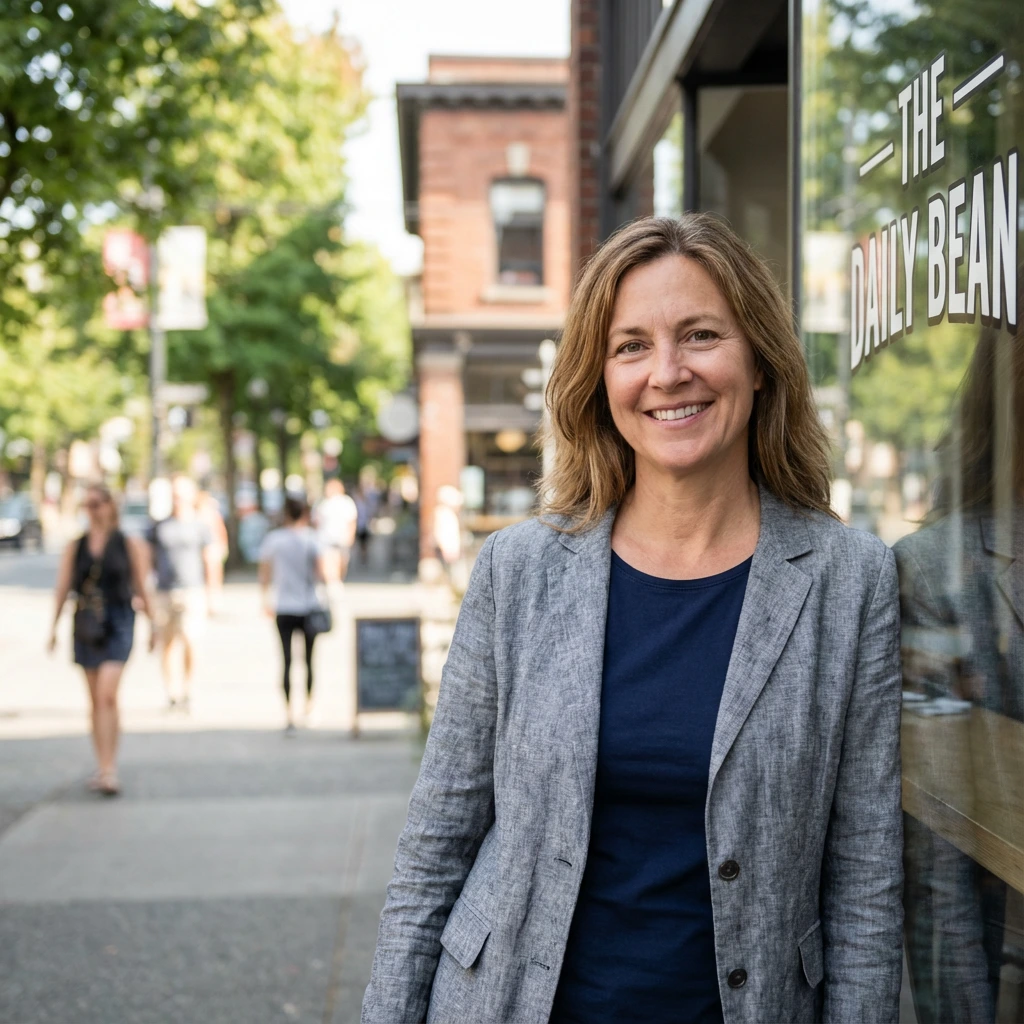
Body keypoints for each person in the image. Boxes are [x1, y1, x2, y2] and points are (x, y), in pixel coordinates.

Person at [362, 214, 904, 1024]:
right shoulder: (519, 572)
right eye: (632, 347)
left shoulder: (847, 579)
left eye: (701, 335)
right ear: (599, 378)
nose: (668, 372)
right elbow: (437, 843)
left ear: (759, 362)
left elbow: (865, 878)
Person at [49, 484, 153, 795]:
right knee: (95, 700)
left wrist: (155, 624)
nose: (93, 510)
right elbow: (63, 587)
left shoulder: (127, 543)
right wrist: (52, 628)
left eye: (98, 503)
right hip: (86, 623)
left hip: (119, 620)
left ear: (110, 505)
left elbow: (141, 584)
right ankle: (103, 764)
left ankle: (110, 769)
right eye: (88, 504)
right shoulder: (76, 546)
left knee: (108, 694)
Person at [148, 475, 217, 711]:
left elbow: (210, 560)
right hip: (165, 592)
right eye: (174, 494)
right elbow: (149, 561)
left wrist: (212, 593)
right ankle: (172, 692)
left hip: (192, 590)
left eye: (181, 494)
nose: (177, 499)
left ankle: (188, 689)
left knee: (190, 640)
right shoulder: (158, 526)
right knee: (166, 644)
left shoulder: (200, 525)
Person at [259, 496, 327, 732]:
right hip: (309, 605)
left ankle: (288, 713)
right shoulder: (312, 539)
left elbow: (265, 573)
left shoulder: (274, 540)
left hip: (284, 606)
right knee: (309, 661)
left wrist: (265, 599)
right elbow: (323, 573)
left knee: (286, 660)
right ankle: (308, 707)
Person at [315, 478, 357, 584]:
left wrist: (351, 536)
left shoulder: (346, 502)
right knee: (329, 564)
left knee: (341, 563)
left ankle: (336, 581)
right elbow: (316, 521)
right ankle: (333, 583)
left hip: (342, 538)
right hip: (326, 538)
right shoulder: (323, 503)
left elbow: (351, 521)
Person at [196, 489, 228, 615]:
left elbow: (220, 530)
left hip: (213, 547)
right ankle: (208, 602)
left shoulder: (213, 515)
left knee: (214, 576)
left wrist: (223, 545)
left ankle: (213, 601)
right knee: (206, 576)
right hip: (204, 549)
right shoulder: (197, 516)